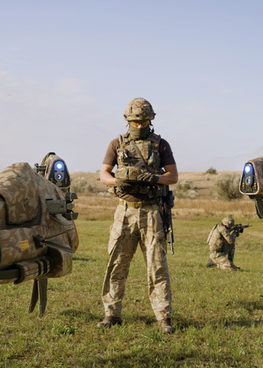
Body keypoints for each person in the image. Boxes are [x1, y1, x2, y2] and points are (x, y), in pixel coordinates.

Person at [97, 97, 178, 334]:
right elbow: (103, 174)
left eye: (144, 122)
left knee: (157, 266)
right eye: (135, 121)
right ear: (126, 120)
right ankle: (111, 314)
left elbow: (173, 176)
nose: (140, 126)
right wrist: (118, 181)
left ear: (150, 120)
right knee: (116, 264)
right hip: (124, 212)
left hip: (152, 211)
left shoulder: (161, 145)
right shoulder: (116, 144)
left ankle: (163, 318)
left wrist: (154, 178)